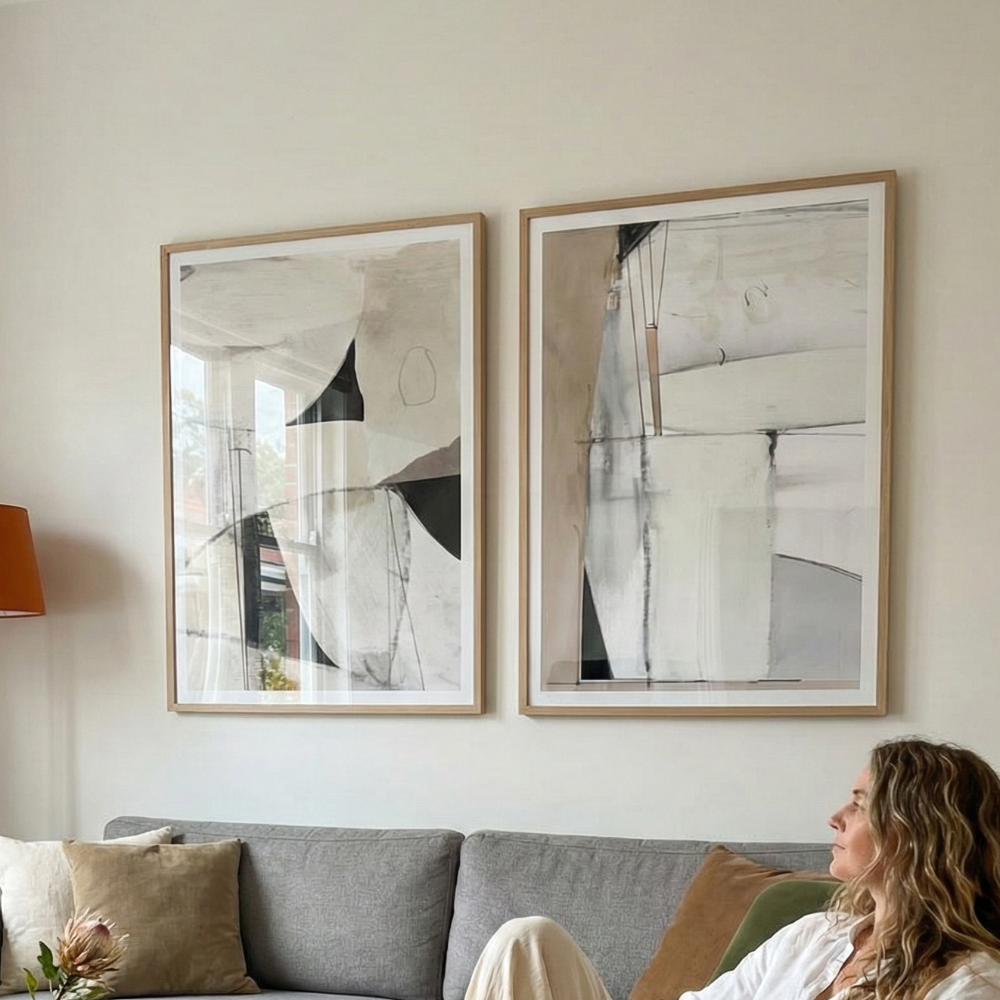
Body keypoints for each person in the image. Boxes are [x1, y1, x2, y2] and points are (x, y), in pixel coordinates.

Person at [464, 738, 1000, 1000]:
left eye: (860, 805)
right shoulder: (816, 935)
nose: (835, 817)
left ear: (915, 833)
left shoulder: (970, 983)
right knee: (527, 940)